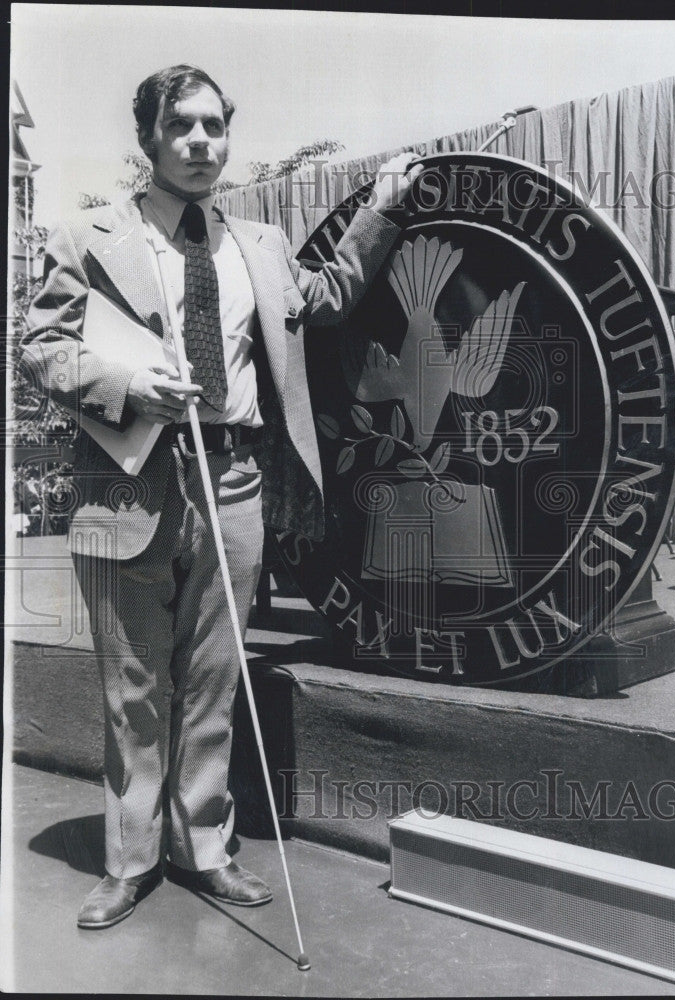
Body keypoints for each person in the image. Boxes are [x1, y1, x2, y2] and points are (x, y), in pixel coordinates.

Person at [22, 64, 420, 929]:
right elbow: (41, 349)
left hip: (236, 480)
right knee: (133, 687)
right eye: (182, 129)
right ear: (149, 141)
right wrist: (127, 383)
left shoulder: (263, 246)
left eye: (214, 127)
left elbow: (333, 293)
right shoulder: (86, 237)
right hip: (130, 487)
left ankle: (204, 848)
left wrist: (383, 205)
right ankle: (128, 861)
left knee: (212, 681)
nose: (201, 144)